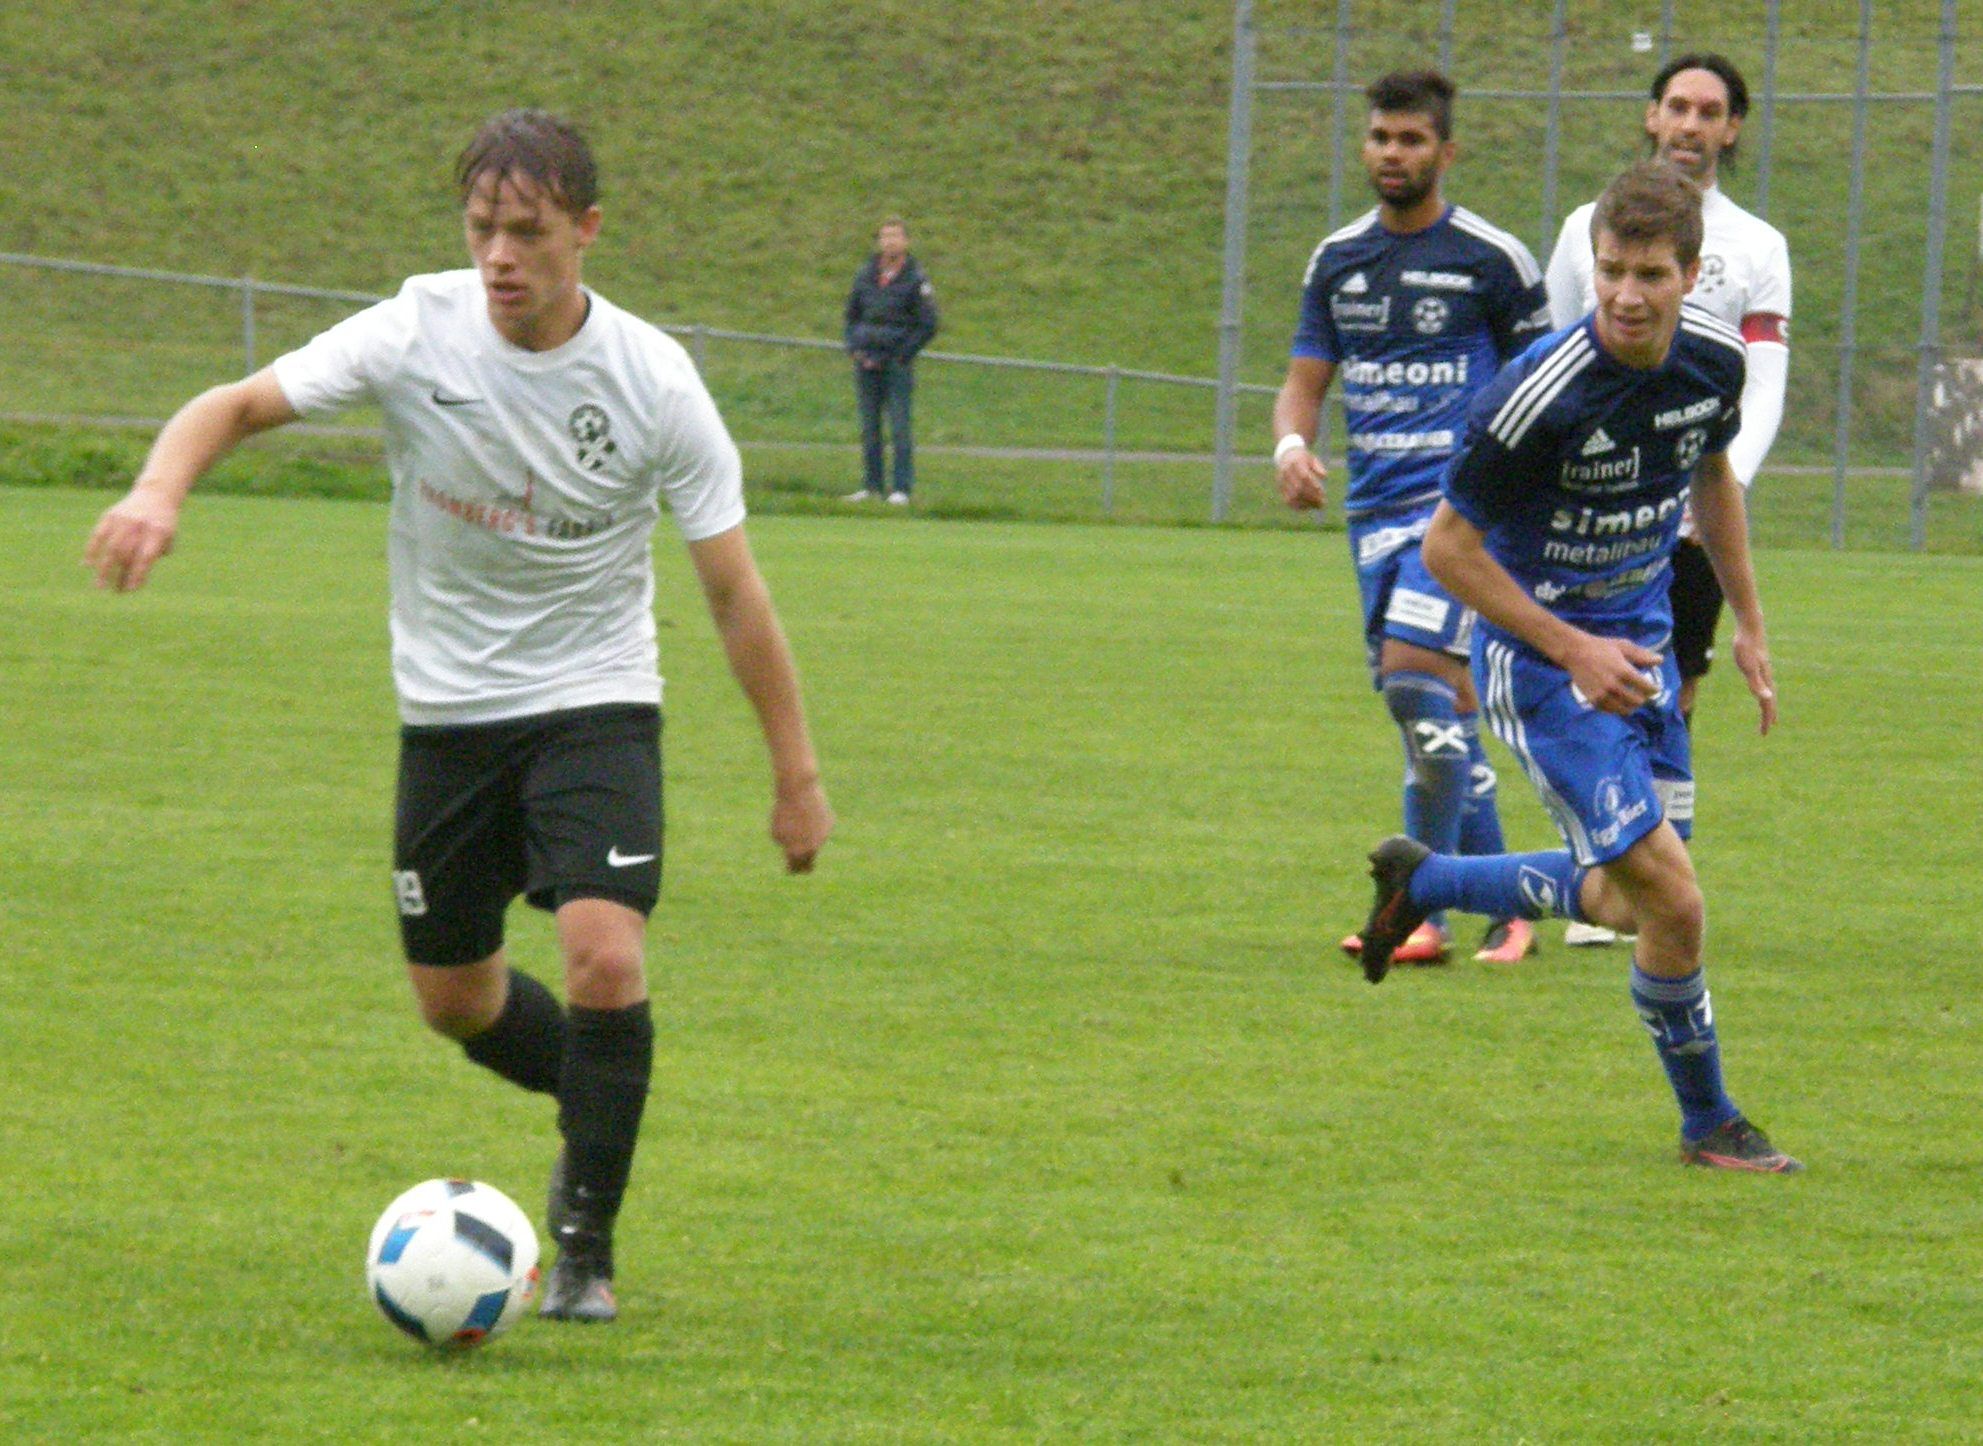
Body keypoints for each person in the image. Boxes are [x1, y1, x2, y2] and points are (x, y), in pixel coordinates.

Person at [84, 109, 837, 1317]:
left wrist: (795, 776)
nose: (499, 256)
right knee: (457, 1003)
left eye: (528, 231)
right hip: (448, 714)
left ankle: (583, 1248)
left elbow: (733, 590)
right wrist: (156, 493)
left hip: (595, 699)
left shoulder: (653, 381)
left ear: (587, 231)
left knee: (603, 953)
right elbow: (232, 405)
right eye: (483, 227)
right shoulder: (413, 329)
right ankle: (600, 1099)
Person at [1357, 160, 1800, 1173]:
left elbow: (1713, 476)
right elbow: (1447, 550)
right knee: (1676, 903)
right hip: (1544, 667)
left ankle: (1428, 881)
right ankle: (1709, 1123)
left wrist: (1747, 622)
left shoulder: (1712, 361)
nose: (1625, 296)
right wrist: (1573, 648)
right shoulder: (1537, 395)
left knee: (1625, 900)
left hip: (1640, 649)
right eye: (1610, 271)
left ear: (1691, 273)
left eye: (1650, 273)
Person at [1272, 69, 1552, 967]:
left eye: (1410, 139)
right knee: (1441, 716)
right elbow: (1304, 383)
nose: (1392, 153)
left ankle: (1417, 911)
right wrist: (1291, 447)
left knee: (1410, 685)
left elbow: (1544, 390)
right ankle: (1510, 909)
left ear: (1446, 151)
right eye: (1380, 137)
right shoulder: (1337, 260)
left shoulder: (1492, 260)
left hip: (1457, 519)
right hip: (1372, 519)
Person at [1544, 53, 1792, 948]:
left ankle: (1646, 878)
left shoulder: (1757, 246)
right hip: (1596, 507)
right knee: (1589, 677)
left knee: (1672, 682)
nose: (1689, 124)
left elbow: (1759, 385)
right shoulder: (1583, 227)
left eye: (1708, 111)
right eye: (1676, 106)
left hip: (1690, 511)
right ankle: (1609, 869)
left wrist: (1718, 487)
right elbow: (1556, 356)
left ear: (1731, 128)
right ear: (1651, 116)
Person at [842, 217, 939, 505]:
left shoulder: (915, 278)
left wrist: (902, 354)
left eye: (895, 236)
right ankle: (871, 486)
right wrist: (854, 348)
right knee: (870, 426)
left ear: (906, 241)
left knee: (899, 426)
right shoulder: (866, 274)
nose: (890, 242)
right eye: (885, 236)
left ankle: (901, 489)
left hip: (896, 363)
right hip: (866, 361)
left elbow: (928, 324)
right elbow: (851, 315)